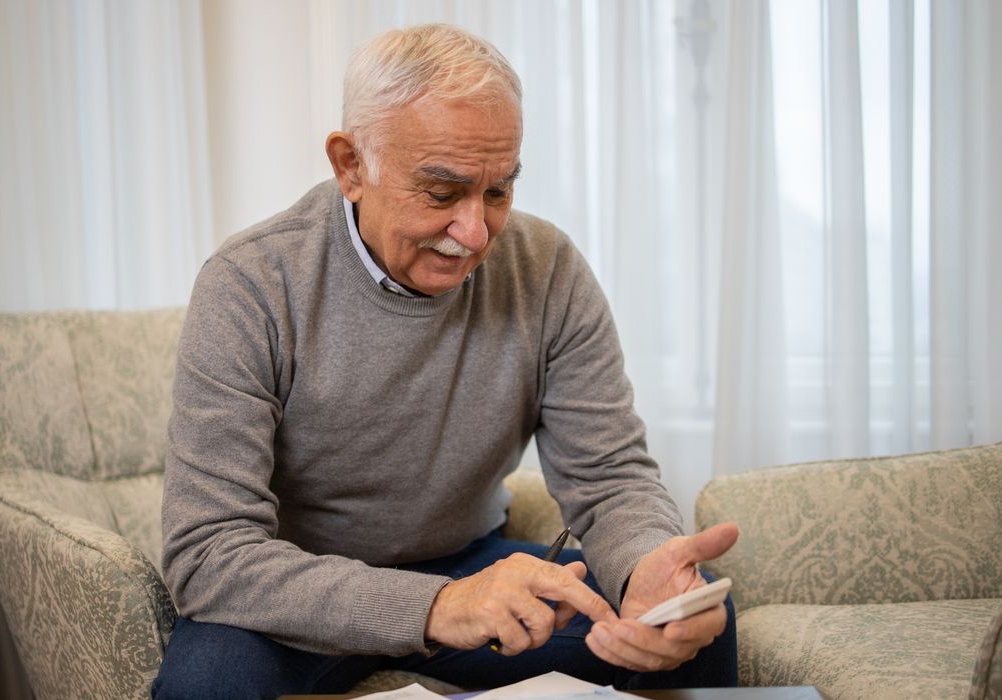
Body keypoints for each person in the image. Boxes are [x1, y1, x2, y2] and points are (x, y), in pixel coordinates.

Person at [153, 23, 739, 699]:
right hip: (295, 593)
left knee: (698, 633)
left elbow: (606, 475)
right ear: (350, 165)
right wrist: (435, 607)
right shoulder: (250, 283)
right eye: (440, 192)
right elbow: (208, 553)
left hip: (470, 564)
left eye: (497, 192)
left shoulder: (547, 269)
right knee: (205, 688)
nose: (474, 233)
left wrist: (645, 571)